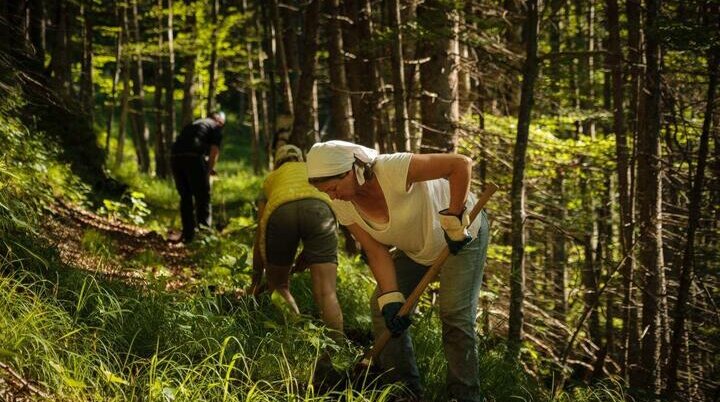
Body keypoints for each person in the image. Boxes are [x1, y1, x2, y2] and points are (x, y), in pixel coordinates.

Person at [306, 140, 490, 402]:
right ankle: (404, 390)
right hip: (416, 247)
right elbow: (376, 251)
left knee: (454, 315)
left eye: (333, 188)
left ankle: (464, 395)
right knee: (382, 307)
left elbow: (460, 165)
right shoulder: (342, 203)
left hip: (462, 237)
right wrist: (392, 297)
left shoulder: (392, 169)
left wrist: (455, 218)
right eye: (326, 192)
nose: (332, 196)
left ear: (352, 170)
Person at [249, 144, 344, 340]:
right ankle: (338, 351)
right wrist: (309, 255)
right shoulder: (312, 171)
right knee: (327, 292)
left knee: (280, 286)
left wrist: (256, 280)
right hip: (320, 209)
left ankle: (296, 336)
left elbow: (261, 231)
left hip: (280, 211)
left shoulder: (271, 179)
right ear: (301, 159)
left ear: (276, 163)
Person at [170, 111, 226, 243]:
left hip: (175, 157)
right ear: (219, 121)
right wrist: (207, 172)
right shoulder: (216, 126)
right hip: (192, 158)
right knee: (203, 196)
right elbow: (214, 152)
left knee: (186, 196)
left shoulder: (196, 124)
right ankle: (204, 236)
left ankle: (188, 236)